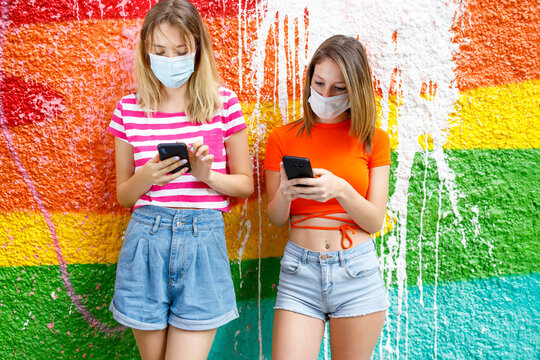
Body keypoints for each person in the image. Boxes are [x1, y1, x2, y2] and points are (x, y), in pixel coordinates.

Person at [107, 1, 253, 359]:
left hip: (203, 240)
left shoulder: (224, 103)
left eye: (180, 50)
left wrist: (207, 176)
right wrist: (147, 175)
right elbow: (124, 195)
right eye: (159, 51)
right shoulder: (129, 108)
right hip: (146, 238)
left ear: (197, 49)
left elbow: (245, 184)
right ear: (146, 51)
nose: (170, 59)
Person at [264, 34, 391, 360]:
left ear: (355, 90)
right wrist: (285, 194)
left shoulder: (373, 140)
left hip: (356, 274)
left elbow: (374, 221)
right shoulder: (281, 138)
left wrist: (342, 190)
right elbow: (277, 219)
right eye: (319, 83)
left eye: (338, 89)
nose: (324, 95)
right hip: (299, 274)